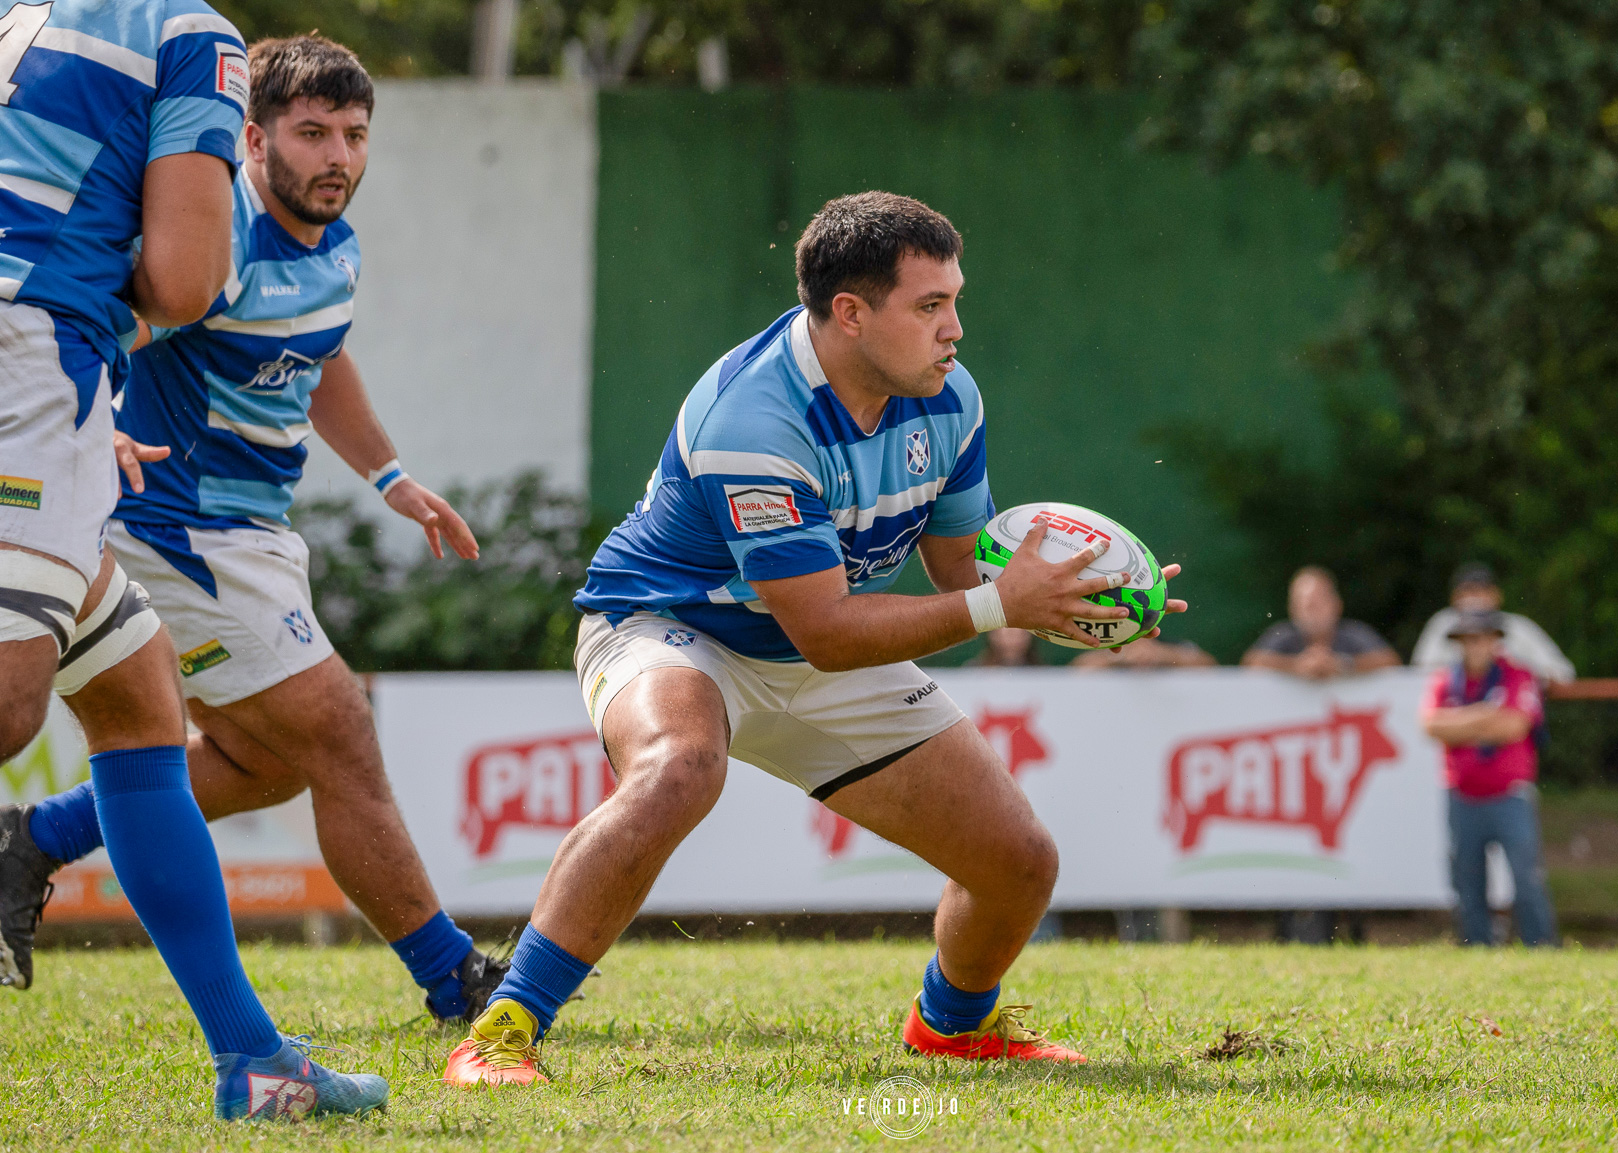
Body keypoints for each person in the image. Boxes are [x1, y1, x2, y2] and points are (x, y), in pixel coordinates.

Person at [441, 191, 1186, 1084]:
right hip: (674, 626)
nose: (955, 329)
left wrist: (1071, 593)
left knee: (1018, 860)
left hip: (812, 636)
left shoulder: (949, 397)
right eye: (930, 306)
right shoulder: (753, 421)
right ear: (850, 312)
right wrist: (1001, 608)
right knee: (680, 766)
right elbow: (831, 630)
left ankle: (952, 1024)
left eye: (955, 300)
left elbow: (958, 569)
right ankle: (502, 1030)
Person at [0, 35, 505, 1028]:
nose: (338, 157)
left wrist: (391, 476)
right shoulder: (218, 228)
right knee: (340, 732)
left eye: (355, 135)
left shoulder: (334, 242)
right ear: (253, 136)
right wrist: (92, 428)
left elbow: (323, 356)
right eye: (312, 133)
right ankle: (457, 978)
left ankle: (35, 840)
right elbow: (112, 325)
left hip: (254, 535)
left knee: (266, 757)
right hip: (176, 532)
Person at [0, 3, 384, 1120]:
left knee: (136, 698)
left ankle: (252, 1062)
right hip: (36, 359)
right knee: (15, 706)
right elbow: (182, 280)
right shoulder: (191, 35)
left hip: (49, 378)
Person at [1420, 609, 1559, 947]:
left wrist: (1460, 725)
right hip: (1462, 794)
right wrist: (1484, 716)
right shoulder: (1446, 680)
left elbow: (1515, 726)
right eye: (1468, 639)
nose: (1475, 646)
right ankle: (1476, 947)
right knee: (1467, 881)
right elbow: (1430, 725)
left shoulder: (1517, 675)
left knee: (1526, 878)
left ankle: (1540, 945)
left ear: (1495, 641)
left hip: (1509, 794)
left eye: (1481, 638)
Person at [1412, 562, 1575, 684]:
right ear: (1454, 597)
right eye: (1468, 591)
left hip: (1509, 710)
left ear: (1497, 595)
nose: (1474, 598)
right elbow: (1419, 674)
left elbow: (1561, 673)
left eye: (1481, 590)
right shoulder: (1443, 623)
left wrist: (1513, 674)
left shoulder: (1518, 626)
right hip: (1458, 712)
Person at [1242, 566, 1399, 679]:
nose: (1310, 610)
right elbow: (1252, 662)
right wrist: (1297, 665)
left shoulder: (1353, 633)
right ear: (1291, 608)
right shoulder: (1282, 634)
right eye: (1304, 604)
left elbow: (1389, 661)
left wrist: (1341, 664)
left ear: (1336, 604)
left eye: (1317, 602)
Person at [1070, 635, 1215, 669]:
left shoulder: (1172, 644)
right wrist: (1119, 657)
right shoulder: (1106, 647)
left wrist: (1161, 655)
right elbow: (1078, 670)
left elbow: (1208, 667)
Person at [964, 627, 1042, 666]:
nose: (1012, 631)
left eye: (1018, 624)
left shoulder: (1045, 674)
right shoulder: (973, 673)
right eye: (1005, 624)